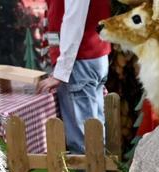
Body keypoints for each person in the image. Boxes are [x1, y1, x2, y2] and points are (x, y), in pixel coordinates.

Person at [39, 0, 111, 154]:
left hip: (79, 62)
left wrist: (61, 71)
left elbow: (74, 22)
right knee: (94, 132)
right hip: (91, 57)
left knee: (83, 141)